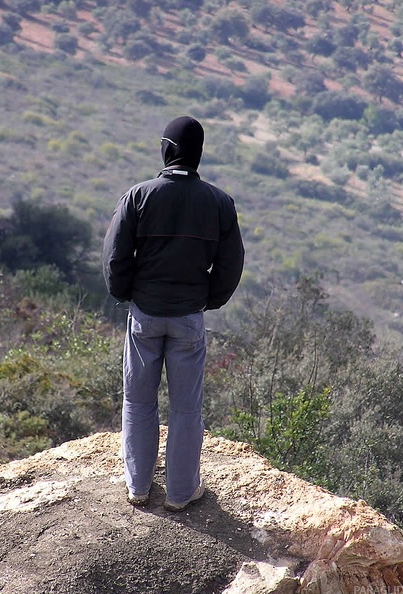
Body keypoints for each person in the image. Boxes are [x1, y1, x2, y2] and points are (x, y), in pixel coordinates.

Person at [102, 116, 245, 511]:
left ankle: (138, 487)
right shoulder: (219, 202)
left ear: (167, 149)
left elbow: (115, 259)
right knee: (185, 409)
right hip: (188, 319)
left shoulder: (138, 196)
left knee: (138, 401)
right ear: (197, 153)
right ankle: (181, 494)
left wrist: (128, 295)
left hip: (145, 315)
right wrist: (207, 301)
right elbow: (231, 266)